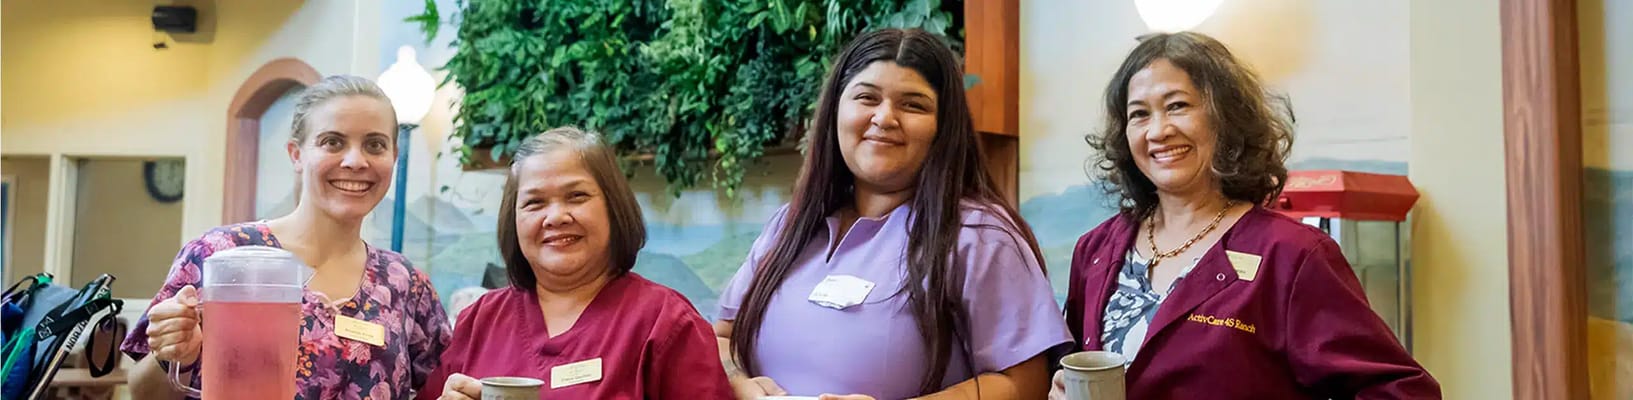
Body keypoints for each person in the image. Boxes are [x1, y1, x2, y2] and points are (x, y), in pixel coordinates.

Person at [1053, 32, 1440, 399]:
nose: (1158, 131)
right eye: (1139, 114)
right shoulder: (1097, 249)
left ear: (1225, 117)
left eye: (1178, 106)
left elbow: (1401, 390)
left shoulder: (1292, 255)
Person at [715, 28, 1070, 400]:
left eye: (913, 104)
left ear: (943, 127)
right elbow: (722, 336)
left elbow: (1025, 383)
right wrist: (739, 382)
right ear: (835, 110)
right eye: (867, 97)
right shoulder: (790, 226)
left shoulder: (980, 236)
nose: (884, 118)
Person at [124, 75, 452, 399]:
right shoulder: (220, 255)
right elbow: (142, 392)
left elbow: (441, 387)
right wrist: (173, 354)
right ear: (296, 154)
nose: (355, 161)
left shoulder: (405, 284)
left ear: (393, 156)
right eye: (333, 142)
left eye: (374, 145)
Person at [422, 127, 733, 399]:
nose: (556, 217)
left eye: (576, 196)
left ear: (613, 207)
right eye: (535, 203)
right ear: (512, 220)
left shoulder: (665, 322)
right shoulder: (480, 320)